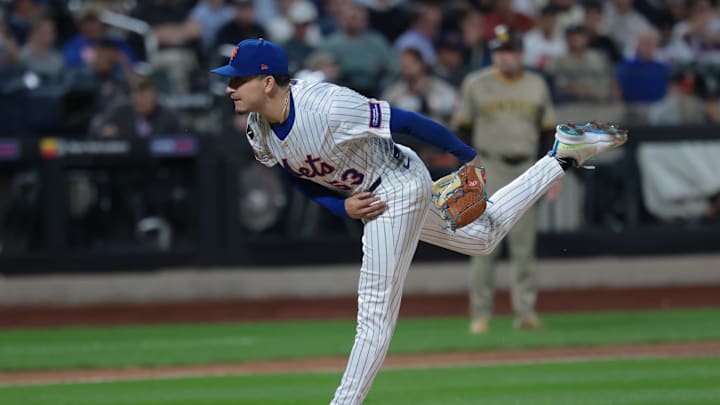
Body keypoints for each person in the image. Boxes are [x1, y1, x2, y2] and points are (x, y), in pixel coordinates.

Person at [211, 37, 627, 405]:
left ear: (267, 82)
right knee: (482, 239)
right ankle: (563, 156)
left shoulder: (327, 105)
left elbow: (406, 121)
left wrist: (466, 156)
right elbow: (292, 172)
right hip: (373, 193)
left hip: (394, 183)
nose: (229, 87)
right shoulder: (257, 128)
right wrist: (341, 208)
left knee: (374, 310)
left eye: (237, 79)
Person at [455, 26, 558, 335]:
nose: (504, 57)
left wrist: (551, 175)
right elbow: (462, 130)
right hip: (489, 166)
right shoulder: (476, 83)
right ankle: (480, 314)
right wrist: (467, 172)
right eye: (498, 51)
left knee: (524, 247)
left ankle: (525, 311)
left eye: (509, 51)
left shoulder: (537, 85)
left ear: (520, 54)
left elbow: (546, 133)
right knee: (483, 243)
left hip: (526, 168)